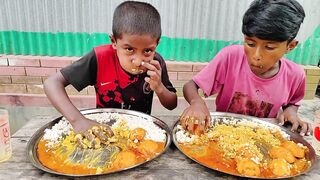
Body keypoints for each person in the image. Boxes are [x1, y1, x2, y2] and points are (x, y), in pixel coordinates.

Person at [180, 0, 311, 136]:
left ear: (290, 46)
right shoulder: (230, 57)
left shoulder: (295, 75)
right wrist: (197, 103)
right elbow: (191, 86)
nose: (256, 55)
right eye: (250, 43)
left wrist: (290, 111)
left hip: (262, 138)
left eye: (269, 47)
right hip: (222, 135)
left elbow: (293, 102)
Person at [44, 1, 177, 133]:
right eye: (129, 49)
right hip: (103, 129)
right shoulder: (99, 58)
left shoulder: (156, 63)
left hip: (139, 132)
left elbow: (172, 104)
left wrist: (159, 87)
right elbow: (52, 83)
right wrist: (78, 120)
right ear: (114, 41)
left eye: (147, 51)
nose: (137, 61)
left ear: (157, 44)